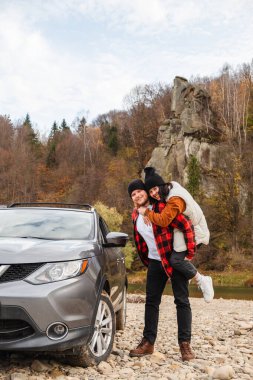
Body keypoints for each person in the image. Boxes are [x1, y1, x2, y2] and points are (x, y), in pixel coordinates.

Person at [128, 179, 196, 361]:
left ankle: (185, 345)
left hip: (172, 259)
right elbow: (141, 241)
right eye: (133, 194)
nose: (137, 195)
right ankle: (148, 342)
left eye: (139, 191)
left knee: (181, 301)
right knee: (151, 302)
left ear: (146, 192)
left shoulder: (161, 208)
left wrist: (189, 253)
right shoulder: (135, 214)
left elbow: (186, 225)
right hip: (155, 262)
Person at [138, 166, 214, 303]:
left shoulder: (175, 199)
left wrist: (147, 213)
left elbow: (163, 220)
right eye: (150, 191)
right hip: (183, 230)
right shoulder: (169, 190)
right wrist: (139, 209)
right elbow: (147, 203)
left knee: (176, 260)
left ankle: (203, 280)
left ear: (161, 185)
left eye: (155, 189)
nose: (154, 193)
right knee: (177, 261)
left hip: (195, 230)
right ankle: (189, 275)